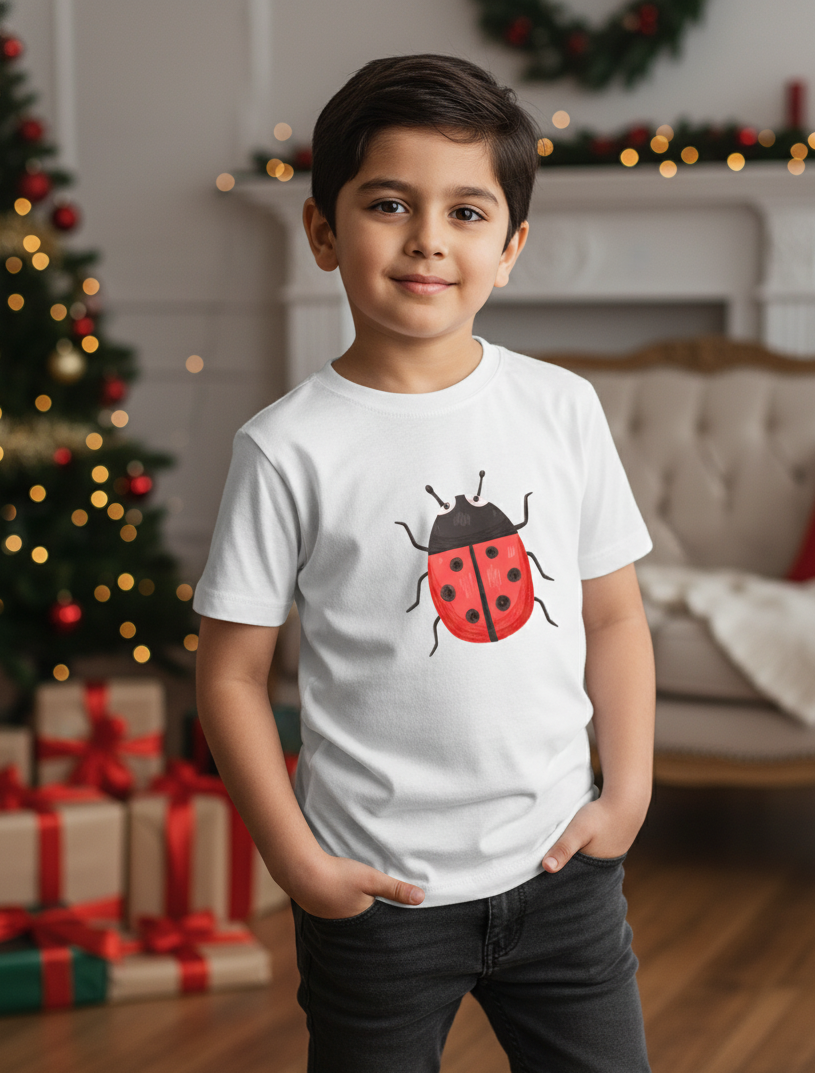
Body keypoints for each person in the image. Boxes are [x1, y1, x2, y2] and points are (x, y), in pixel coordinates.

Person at [194, 53, 655, 1073]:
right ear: (323, 231)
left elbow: (614, 618)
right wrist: (298, 863)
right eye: (390, 203)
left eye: (467, 212)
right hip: (376, 894)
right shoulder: (287, 446)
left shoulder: (561, 409)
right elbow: (228, 673)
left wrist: (626, 792)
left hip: (562, 872)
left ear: (511, 246)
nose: (427, 240)